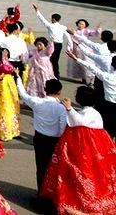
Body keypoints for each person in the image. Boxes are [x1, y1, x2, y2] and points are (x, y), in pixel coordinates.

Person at [40, 85, 116, 214]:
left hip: (82, 150)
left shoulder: (87, 114)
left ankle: (81, 204)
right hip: (94, 150)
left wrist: (69, 108)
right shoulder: (94, 113)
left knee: (80, 177)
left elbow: (77, 120)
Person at [15, 75, 66, 194]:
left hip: (40, 139)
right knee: (55, 167)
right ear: (59, 92)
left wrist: (18, 78)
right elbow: (63, 126)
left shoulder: (37, 102)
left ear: (44, 89)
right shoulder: (61, 108)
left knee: (41, 167)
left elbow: (23, 95)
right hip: (55, 141)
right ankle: (53, 193)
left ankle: (41, 193)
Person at [33, 4, 67, 79]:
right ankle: (56, 75)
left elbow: (42, 20)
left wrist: (37, 10)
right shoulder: (63, 27)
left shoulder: (51, 26)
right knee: (55, 60)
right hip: (60, 45)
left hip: (52, 44)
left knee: (49, 58)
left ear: (54, 19)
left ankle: (49, 73)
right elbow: (69, 31)